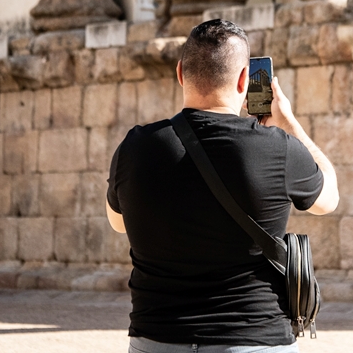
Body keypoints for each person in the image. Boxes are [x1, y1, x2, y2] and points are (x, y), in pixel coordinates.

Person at [106, 19, 339, 353]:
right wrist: (289, 124)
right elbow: (328, 198)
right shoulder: (277, 148)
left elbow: (118, 222)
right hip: (252, 339)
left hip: (157, 339)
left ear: (180, 73)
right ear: (245, 79)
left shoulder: (136, 146)